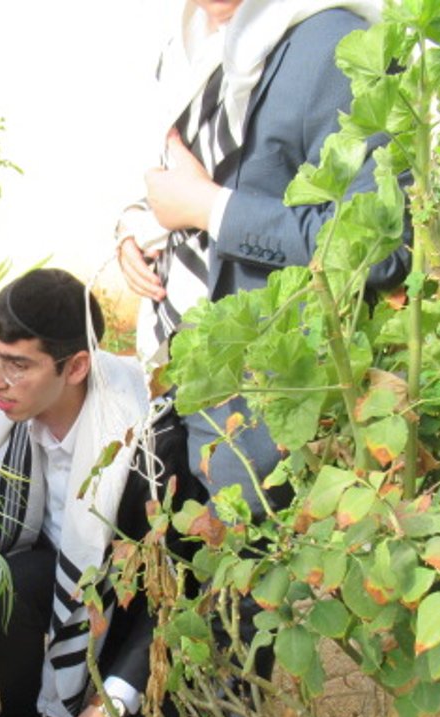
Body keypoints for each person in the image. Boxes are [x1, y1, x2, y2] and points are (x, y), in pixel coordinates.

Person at [116, 0, 410, 514]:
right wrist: (138, 225)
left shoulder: (338, 45)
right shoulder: (187, 44)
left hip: (285, 405)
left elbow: (380, 247)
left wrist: (210, 211)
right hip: (191, 373)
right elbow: (199, 173)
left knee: (266, 574)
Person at [0, 268, 204, 717]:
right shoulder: (15, 407)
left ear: (77, 366)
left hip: (135, 614)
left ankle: (110, 699)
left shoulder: (151, 444)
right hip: (63, 590)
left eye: (16, 364)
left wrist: (110, 705)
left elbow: (177, 590)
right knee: (4, 580)